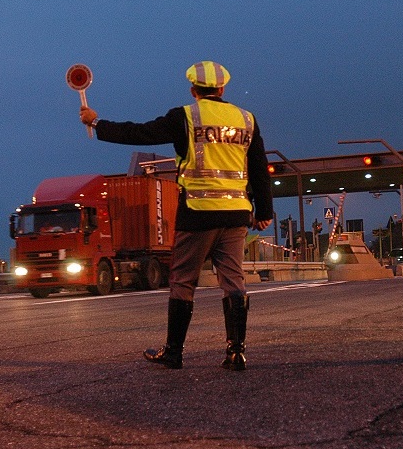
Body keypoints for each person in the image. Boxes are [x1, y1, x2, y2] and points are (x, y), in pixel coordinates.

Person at [79, 61, 273, 371]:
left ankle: (174, 352)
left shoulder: (185, 116)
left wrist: (97, 122)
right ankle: (236, 352)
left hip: (197, 211)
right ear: (222, 89)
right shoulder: (246, 120)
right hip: (236, 212)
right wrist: (264, 211)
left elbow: (140, 133)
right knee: (234, 282)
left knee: (183, 281)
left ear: (194, 90)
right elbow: (260, 167)